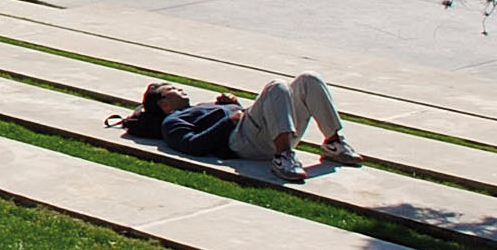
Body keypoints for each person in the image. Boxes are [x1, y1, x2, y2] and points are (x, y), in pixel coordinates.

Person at [114, 76, 360, 183]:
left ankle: (333, 141)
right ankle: (283, 156)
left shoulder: (202, 106)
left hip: (256, 132)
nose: (181, 90)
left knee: (308, 78)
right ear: (164, 104)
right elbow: (191, 144)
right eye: (173, 90)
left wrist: (232, 106)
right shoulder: (172, 123)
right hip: (241, 141)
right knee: (277, 86)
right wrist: (228, 120)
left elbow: (243, 116)